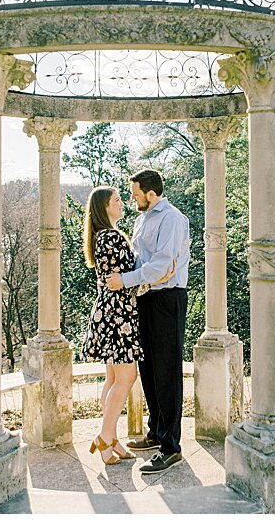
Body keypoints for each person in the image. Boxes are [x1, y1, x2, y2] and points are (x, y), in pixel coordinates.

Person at [79, 186, 174, 466]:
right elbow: (124, 280)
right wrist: (157, 279)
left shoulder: (101, 236)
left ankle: (112, 437)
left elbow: (119, 278)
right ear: (105, 208)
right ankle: (105, 437)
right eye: (117, 201)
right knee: (126, 378)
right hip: (118, 313)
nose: (123, 204)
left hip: (110, 311)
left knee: (113, 379)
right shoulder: (111, 237)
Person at [106, 169, 191, 475]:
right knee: (150, 368)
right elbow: (145, 263)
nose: (132, 198)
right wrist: (136, 281)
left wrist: (125, 280)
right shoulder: (143, 218)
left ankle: (171, 447)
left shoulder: (172, 219)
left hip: (168, 299)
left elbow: (160, 266)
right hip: (144, 296)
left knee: (167, 370)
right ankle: (156, 432)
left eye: (136, 193)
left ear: (151, 194)